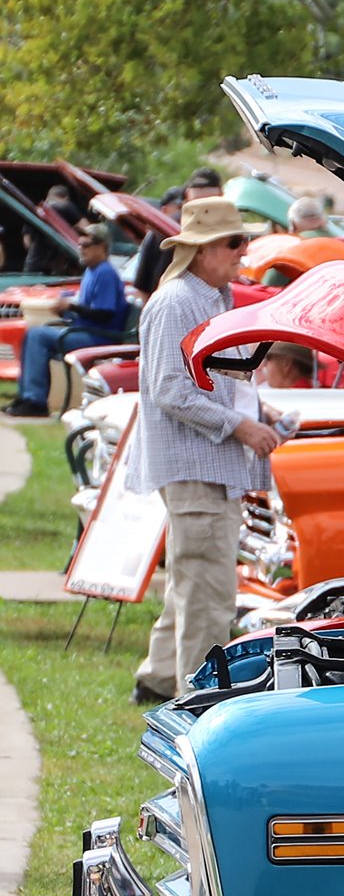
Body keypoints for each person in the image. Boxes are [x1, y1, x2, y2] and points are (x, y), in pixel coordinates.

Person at [128, 195, 292, 705]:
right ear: (201, 250)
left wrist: (257, 412)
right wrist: (240, 426)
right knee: (209, 593)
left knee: (192, 580)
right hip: (196, 465)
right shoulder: (177, 302)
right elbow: (169, 390)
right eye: (234, 242)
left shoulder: (210, 298)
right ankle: (197, 703)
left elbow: (215, 380)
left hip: (204, 464)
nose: (243, 251)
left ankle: (158, 679)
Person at [8, 221, 127, 418]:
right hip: (84, 331)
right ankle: (26, 396)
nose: (81, 249)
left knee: (37, 336)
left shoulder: (105, 272)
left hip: (99, 337)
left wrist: (70, 306)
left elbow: (104, 313)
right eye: (80, 244)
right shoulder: (91, 271)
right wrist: (66, 305)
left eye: (86, 245)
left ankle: (35, 401)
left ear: (102, 247)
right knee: (32, 334)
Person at [134, 166, 222, 297]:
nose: (203, 211)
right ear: (186, 198)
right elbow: (143, 287)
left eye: (210, 204)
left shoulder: (224, 235)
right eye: (198, 203)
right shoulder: (163, 229)